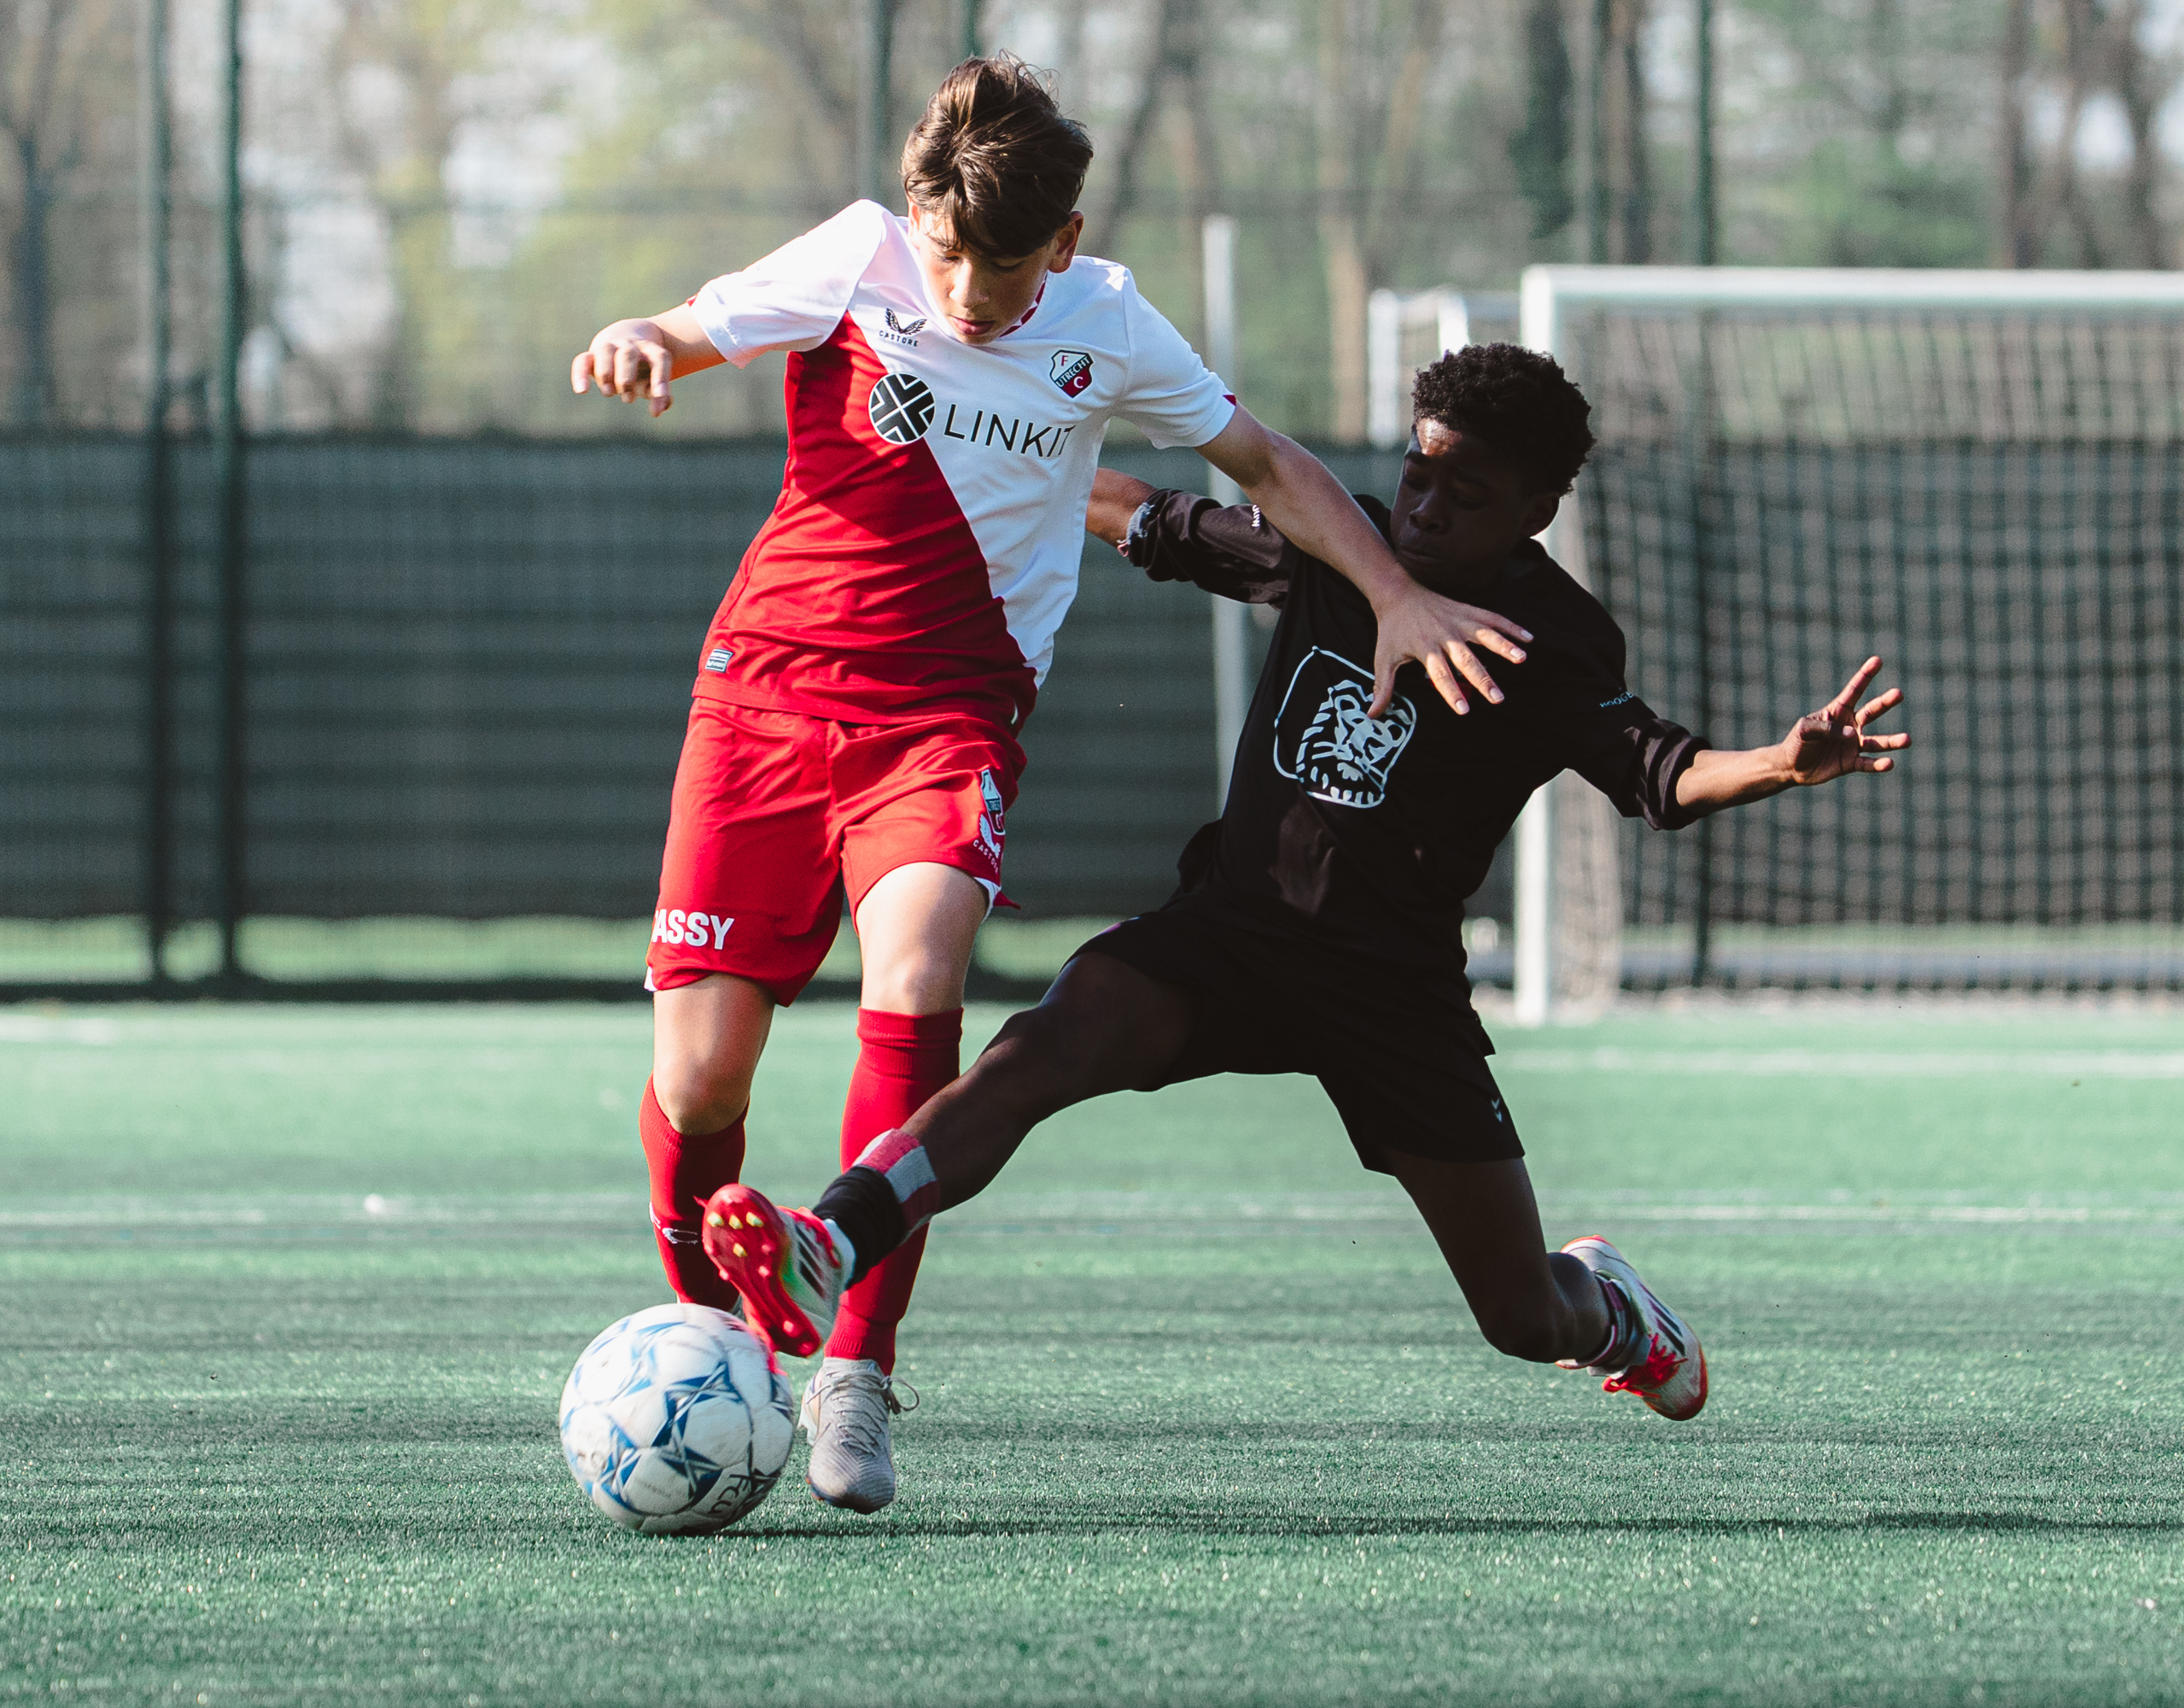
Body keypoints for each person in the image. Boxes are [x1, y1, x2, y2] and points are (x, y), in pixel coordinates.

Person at [567, 57, 1530, 1513]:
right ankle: (718, 1338)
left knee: (925, 959)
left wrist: (1392, 592)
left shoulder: (1107, 323)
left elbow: (1267, 463)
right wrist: (638, 336)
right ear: (915, 219)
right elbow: (694, 327)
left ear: (1063, 247)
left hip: (945, 722)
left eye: (1004, 269)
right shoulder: (855, 258)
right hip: (762, 699)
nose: (966, 294)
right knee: (700, 1076)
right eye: (948, 257)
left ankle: (855, 1376)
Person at [695, 342, 1911, 1448]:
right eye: (1419, 477)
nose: (1426, 510)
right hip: (1229, 938)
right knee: (1044, 1047)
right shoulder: (1345, 549)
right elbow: (1135, 512)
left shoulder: (1556, 639)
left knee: (1519, 1316)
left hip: (1392, 995)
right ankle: (832, 1237)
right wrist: (983, 447)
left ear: (1540, 511)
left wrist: (1780, 764)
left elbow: (1663, 775)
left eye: (1465, 496)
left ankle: (1614, 1315)